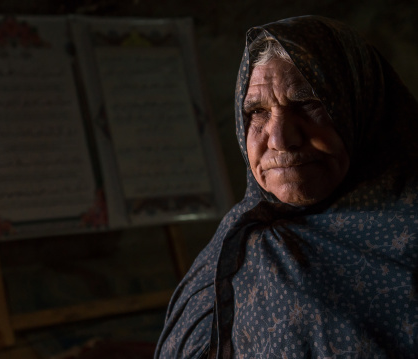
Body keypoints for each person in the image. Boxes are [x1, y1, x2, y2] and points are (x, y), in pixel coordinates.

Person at [155, 15, 418, 358]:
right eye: (257, 112)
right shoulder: (238, 244)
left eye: (309, 104)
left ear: (360, 106)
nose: (280, 139)